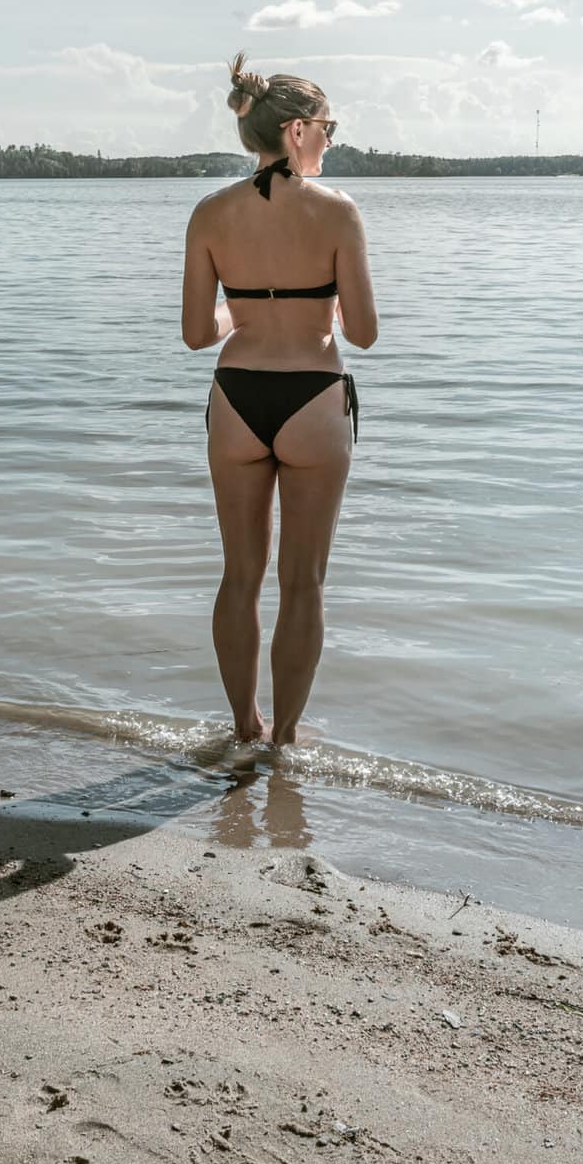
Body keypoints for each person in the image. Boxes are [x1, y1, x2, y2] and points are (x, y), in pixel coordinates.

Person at [180, 53, 378, 745]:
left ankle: (244, 728)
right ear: (296, 131)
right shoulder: (337, 212)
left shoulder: (209, 213)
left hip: (236, 400)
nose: (330, 139)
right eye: (327, 126)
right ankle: (287, 741)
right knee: (304, 583)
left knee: (240, 576)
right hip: (313, 401)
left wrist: (249, 312)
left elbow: (197, 333)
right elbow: (365, 332)